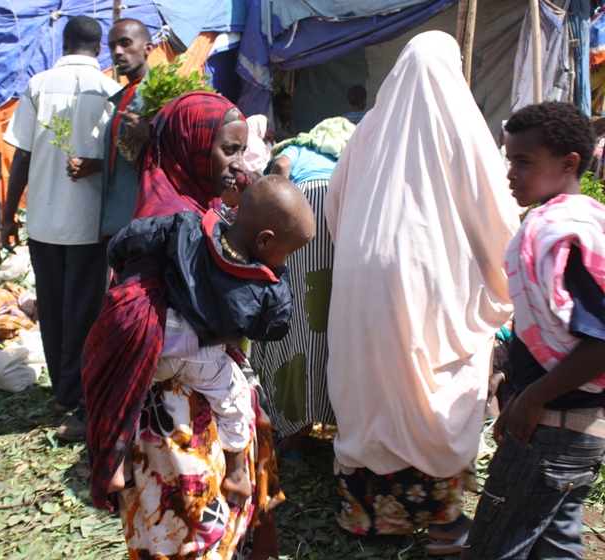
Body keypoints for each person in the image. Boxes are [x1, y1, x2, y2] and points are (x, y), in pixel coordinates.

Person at [324, 31, 519, 552]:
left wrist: (363, 256)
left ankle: (367, 514)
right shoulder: (462, 127)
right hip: (431, 280)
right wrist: (499, 280)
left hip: (363, 281)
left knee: (372, 385)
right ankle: (442, 521)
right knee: (432, 382)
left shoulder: (368, 131)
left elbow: (334, 204)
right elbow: (498, 215)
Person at [82, 92, 284, 558]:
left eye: (240, 150)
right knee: (185, 534)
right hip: (170, 418)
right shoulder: (169, 218)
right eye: (227, 151)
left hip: (199, 402)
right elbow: (137, 316)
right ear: (191, 148)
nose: (237, 163)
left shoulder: (201, 206)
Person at [103, 175, 316, 498]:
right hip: (204, 358)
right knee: (234, 403)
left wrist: (118, 263)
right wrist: (279, 278)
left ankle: (116, 464)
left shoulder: (188, 227)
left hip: (158, 343)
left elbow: (136, 235)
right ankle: (235, 472)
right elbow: (273, 328)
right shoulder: (264, 285)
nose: (284, 262)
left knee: (124, 395)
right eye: (286, 254)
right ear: (264, 241)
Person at [462, 102, 605, 560]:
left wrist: (533, 398)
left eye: (524, 162)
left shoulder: (561, 234)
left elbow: (600, 343)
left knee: (495, 545)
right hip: (571, 427)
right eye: (510, 160)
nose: (511, 174)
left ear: (568, 164)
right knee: (554, 543)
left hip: (554, 428)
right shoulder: (574, 223)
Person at [1, 16, 120, 440]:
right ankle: (81, 391)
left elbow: (22, 158)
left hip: (45, 222)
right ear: (100, 47)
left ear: (63, 41)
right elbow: (123, 161)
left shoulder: (37, 86)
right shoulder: (111, 92)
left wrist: (6, 216)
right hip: (91, 226)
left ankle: (63, 394)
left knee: (51, 309)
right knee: (85, 312)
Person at [252, 116, 355, 453]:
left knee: (295, 318)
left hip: (301, 213)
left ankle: (292, 431)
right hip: (342, 213)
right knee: (328, 321)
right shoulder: (347, 150)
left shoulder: (296, 149)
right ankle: (336, 420)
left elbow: (280, 168)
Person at [98, 18, 154, 237]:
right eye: (112, 46)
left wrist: (150, 134)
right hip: (117, 219)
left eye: (125, 43)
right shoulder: (123, 95)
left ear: (148, 47)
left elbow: (183, 151)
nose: (118, 52)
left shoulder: (162, 94)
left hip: (142, 221)